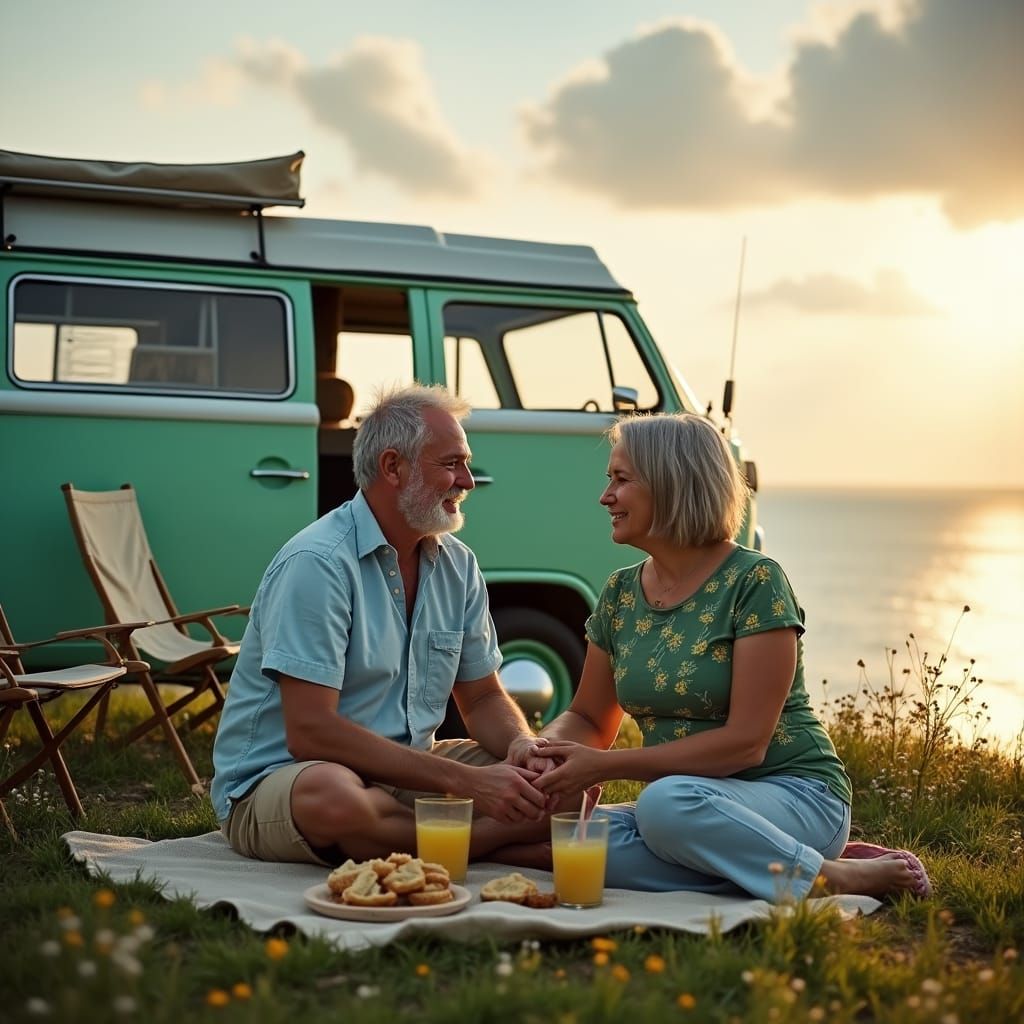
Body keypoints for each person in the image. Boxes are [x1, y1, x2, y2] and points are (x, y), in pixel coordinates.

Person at [522, 413, 931, 902]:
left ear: (672, 484)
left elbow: (745, 745)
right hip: (696, 806)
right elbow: (588, 716)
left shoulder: (754, 582)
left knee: (663, 808)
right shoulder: (619, 594)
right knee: (563, 837)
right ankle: (770, 864)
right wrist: (544, 751)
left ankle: (828, 876)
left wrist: (604, 768)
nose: (605, 495)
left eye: (621, 479)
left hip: (791, 792)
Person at [210, 384, 551, 867]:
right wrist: (466, 782)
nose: (468, 481)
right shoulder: (318, 563)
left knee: (560, 782)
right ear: (393, 467)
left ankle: (420, 836)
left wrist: (520, 745)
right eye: (451, 463)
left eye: (465, 462)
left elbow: (483, 698)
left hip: (408, 774)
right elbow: (311, 732)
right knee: (335, 799)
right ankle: (488, 843)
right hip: (289, 778)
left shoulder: (458, 565)